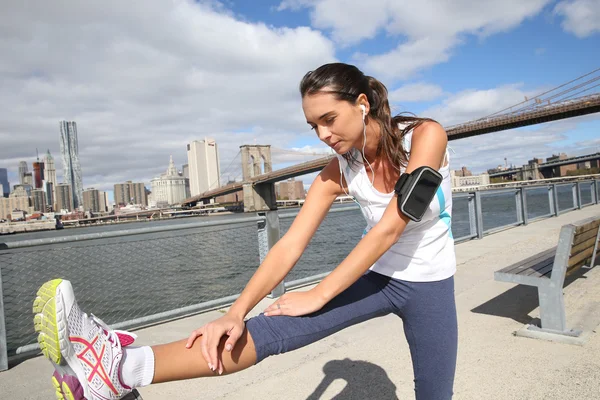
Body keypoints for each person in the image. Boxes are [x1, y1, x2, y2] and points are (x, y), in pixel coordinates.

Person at [33, 62, 457, 400]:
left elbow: (390, 228)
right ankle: (118, 368)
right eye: (314, 126)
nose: (324, 135)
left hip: (430, 284)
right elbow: (290, 244)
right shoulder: (338, 170)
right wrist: (234, 312)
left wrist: (319, 293)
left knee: (435, 395)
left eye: (329, 118)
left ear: (362, 103)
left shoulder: (425, 135)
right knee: (273, 326)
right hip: (380, 279)